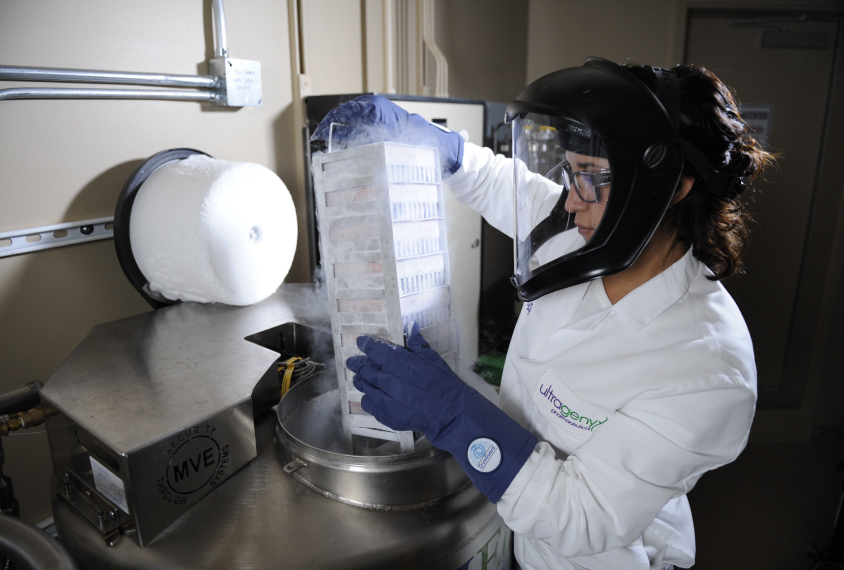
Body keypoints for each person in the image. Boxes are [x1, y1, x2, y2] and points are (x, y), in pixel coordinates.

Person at [312, 57, 774, 570]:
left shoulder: (708, 369)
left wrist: (452, 413)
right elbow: (503, 186)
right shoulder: (590, 232)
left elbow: (580, 515)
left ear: (674, 185)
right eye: (570, 174)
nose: (572, 202)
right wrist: (440, 147)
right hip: (515, 530)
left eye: (592, 178)